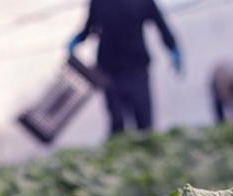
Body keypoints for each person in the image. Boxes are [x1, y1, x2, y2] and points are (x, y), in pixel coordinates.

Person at [68, 0, 182, 136]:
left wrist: (172, 48)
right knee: (117, 122)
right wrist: (78, 39)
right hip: (109, 71)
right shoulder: (99, 2)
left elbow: (161, 25)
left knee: (144, 124)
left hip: (136, 68)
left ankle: (144, 151)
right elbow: (90, 27)